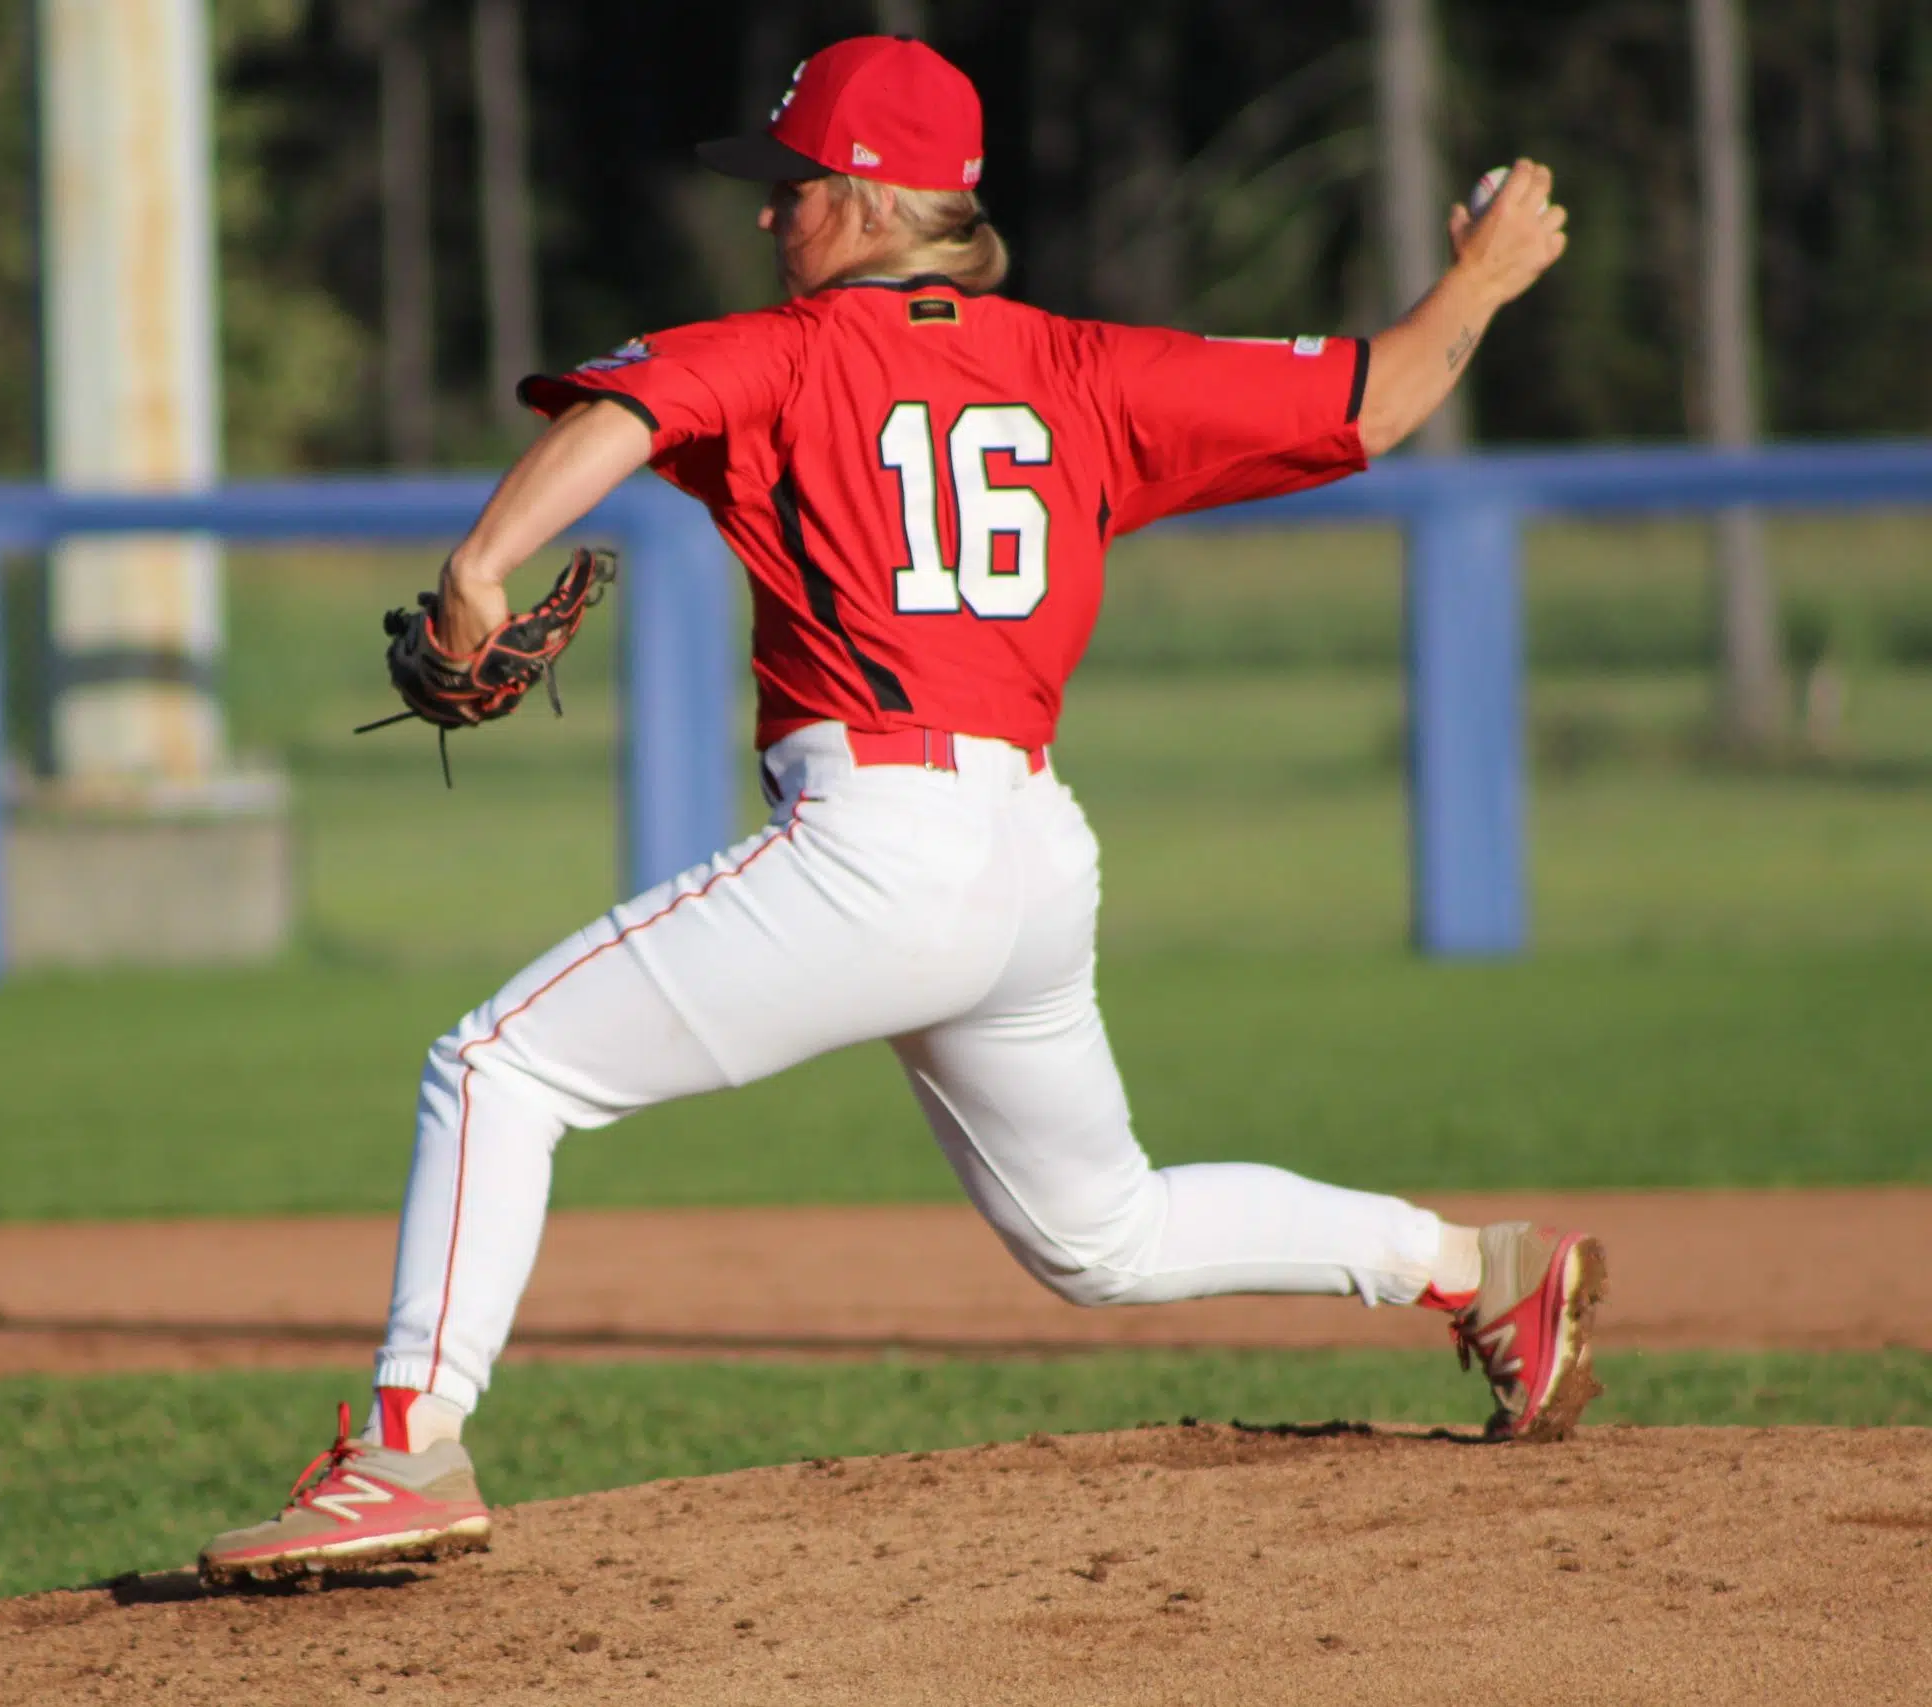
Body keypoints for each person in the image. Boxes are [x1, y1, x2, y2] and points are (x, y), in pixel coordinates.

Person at [199, 34, 1593, 1585]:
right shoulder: (1085, 366)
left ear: (866, 199)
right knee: (1101, 1235)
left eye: (792, 187)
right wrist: (1477, 278)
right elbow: (1377, 401)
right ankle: (1478, 1273)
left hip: (881, 846)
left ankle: (404, 1444)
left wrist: (477, 569)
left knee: (496, 1064)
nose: (768, 217)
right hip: (1033, 855)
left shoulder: (787, 353)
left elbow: (618, 417)